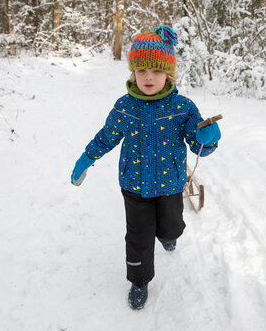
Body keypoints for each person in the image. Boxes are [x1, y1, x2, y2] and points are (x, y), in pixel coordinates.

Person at [70, 25, 221, 310]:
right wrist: (86, 159)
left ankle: (168, 237)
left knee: (172, 228)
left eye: (155, 70)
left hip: (170, 185)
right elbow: (107, 137)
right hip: (134, 186)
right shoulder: (125, 107)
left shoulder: (183, 107)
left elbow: (197, 143)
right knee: (138, 238)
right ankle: (139, 280)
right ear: (133, 74)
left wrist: (207, 138)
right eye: (141, 71)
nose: (148, 77)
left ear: (168, 74)